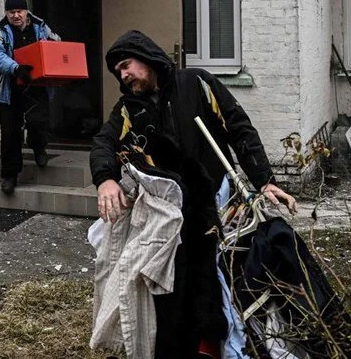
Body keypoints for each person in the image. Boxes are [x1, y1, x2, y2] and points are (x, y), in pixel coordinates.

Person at [90, 29, 296, 358]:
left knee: (222, 281)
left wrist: (264, 180)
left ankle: (223, 346)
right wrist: (105, 179)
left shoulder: (197, 83)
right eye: (118, 73)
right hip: (174, 216)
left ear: (146, 57)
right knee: (177, 290)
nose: (124, 75)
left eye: (127, 66)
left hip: (216, 201)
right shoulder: (131, 110)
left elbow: (238, 127)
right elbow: (104, 142)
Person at [0, 0, 60, 194]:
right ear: (7, 13)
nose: (15, 15)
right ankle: (10, 175)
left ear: (26, 11)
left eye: (19, 11)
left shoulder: (40, 26)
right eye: (11, 12)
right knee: (9, 133)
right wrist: (16, 68)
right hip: (10, 91)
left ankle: (38, 147)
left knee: (38, 123)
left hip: (37, 88)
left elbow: (57, 42)